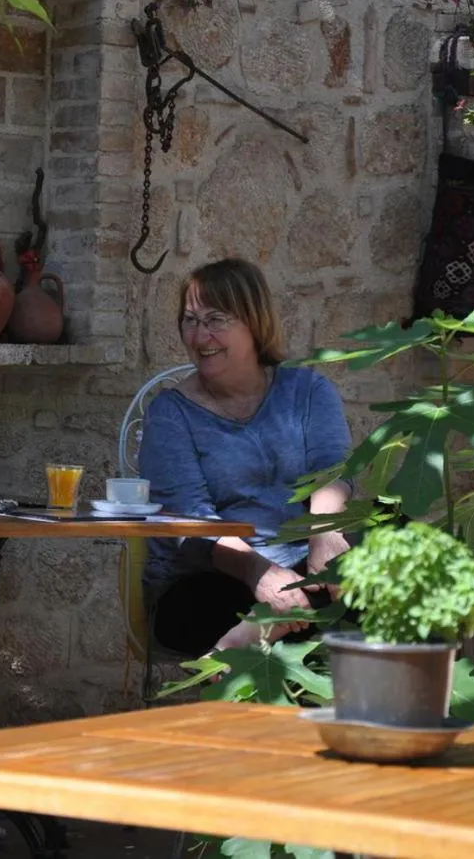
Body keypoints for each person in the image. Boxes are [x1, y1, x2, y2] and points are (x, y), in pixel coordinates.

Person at [138, 258, 354, 656]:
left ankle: (264, 629)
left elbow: (331, 471)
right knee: (203, 607)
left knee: (397, 548)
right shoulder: (170, 414)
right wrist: (262, 574)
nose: (200, 336)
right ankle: (268, 624)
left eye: (216, 319)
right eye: (190, 320)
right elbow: (191, 522)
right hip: (211, 577)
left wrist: (325, 533)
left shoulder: (307, 391)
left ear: (253, 322)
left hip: (305, 561)